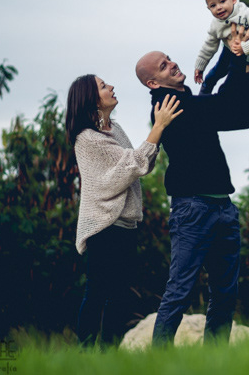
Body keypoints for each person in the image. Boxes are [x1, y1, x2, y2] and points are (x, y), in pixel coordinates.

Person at [134, 48, 249, 346]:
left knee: (224, 292)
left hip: (222, 205)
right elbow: (232, 107)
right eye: (163, 66)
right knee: (179, 291)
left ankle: (215, 362)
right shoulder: (169, 104)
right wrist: (242, 58)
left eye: (169, 59)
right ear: (153, 83)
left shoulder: (188, 101)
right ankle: (159, 363)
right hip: (193, 209)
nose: (172, 64)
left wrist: (245, 61)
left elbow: (241, 113)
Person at [66, 74, 183, 348]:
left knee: (120, 295)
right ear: (91, 99)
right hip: (103, 226)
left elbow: (141, 165)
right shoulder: (87, 139)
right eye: (104, 86)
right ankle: (85, 353)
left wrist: (160, 132)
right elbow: (127, 168)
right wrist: (159, 126)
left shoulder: (115, 129)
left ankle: (110, 354)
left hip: (127, 225)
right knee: (97, 292)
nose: (111, 87)